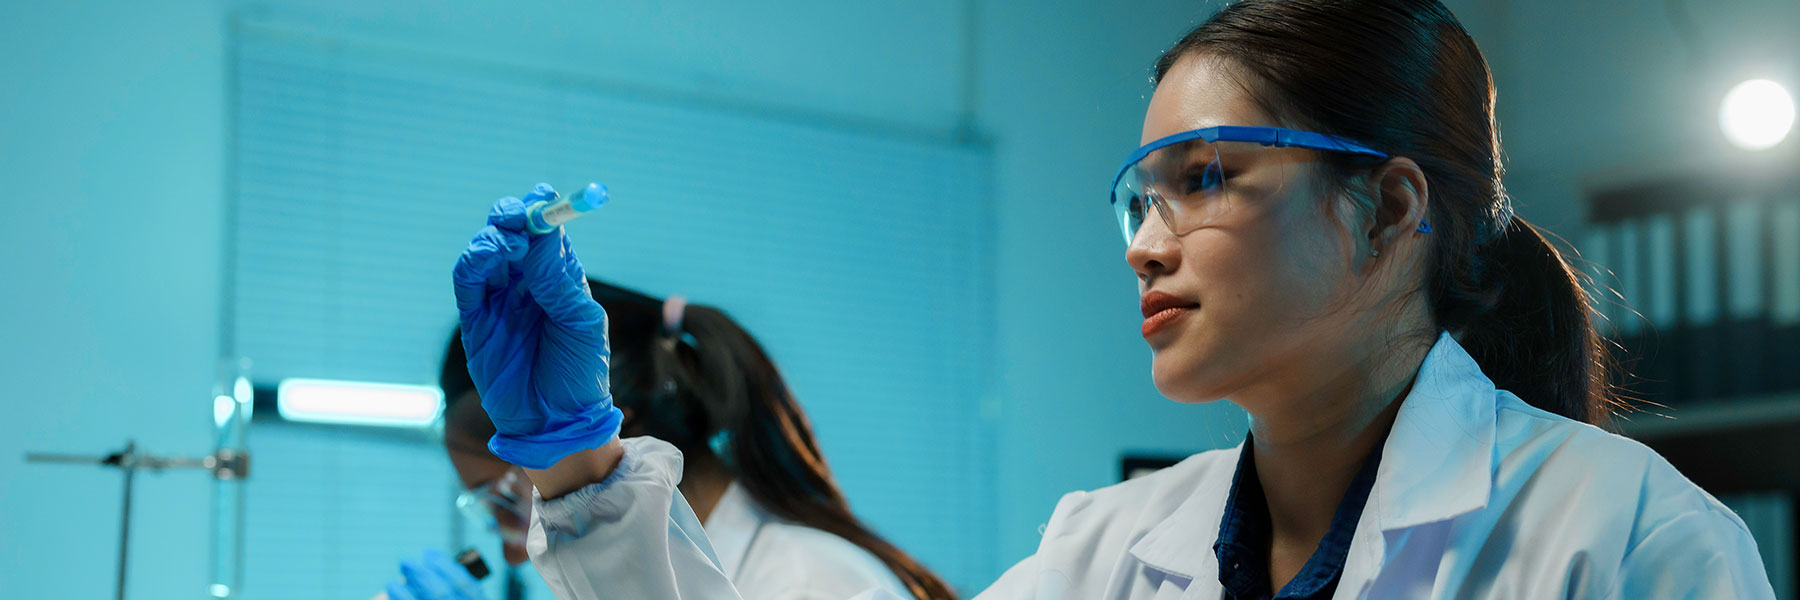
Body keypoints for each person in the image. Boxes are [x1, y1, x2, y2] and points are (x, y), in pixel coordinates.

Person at [446, 0, 1779, 598]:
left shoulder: (1624, 541)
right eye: (1137, 198)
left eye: (1204, 179)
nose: (1147, 245)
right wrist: (578, 469)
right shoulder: (1109, 552)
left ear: (1384, 209)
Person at [385, 272, 953, 600]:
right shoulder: (646, 584)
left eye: (507, 498)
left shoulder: (810, 581)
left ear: (609, 434)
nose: (511, 545)